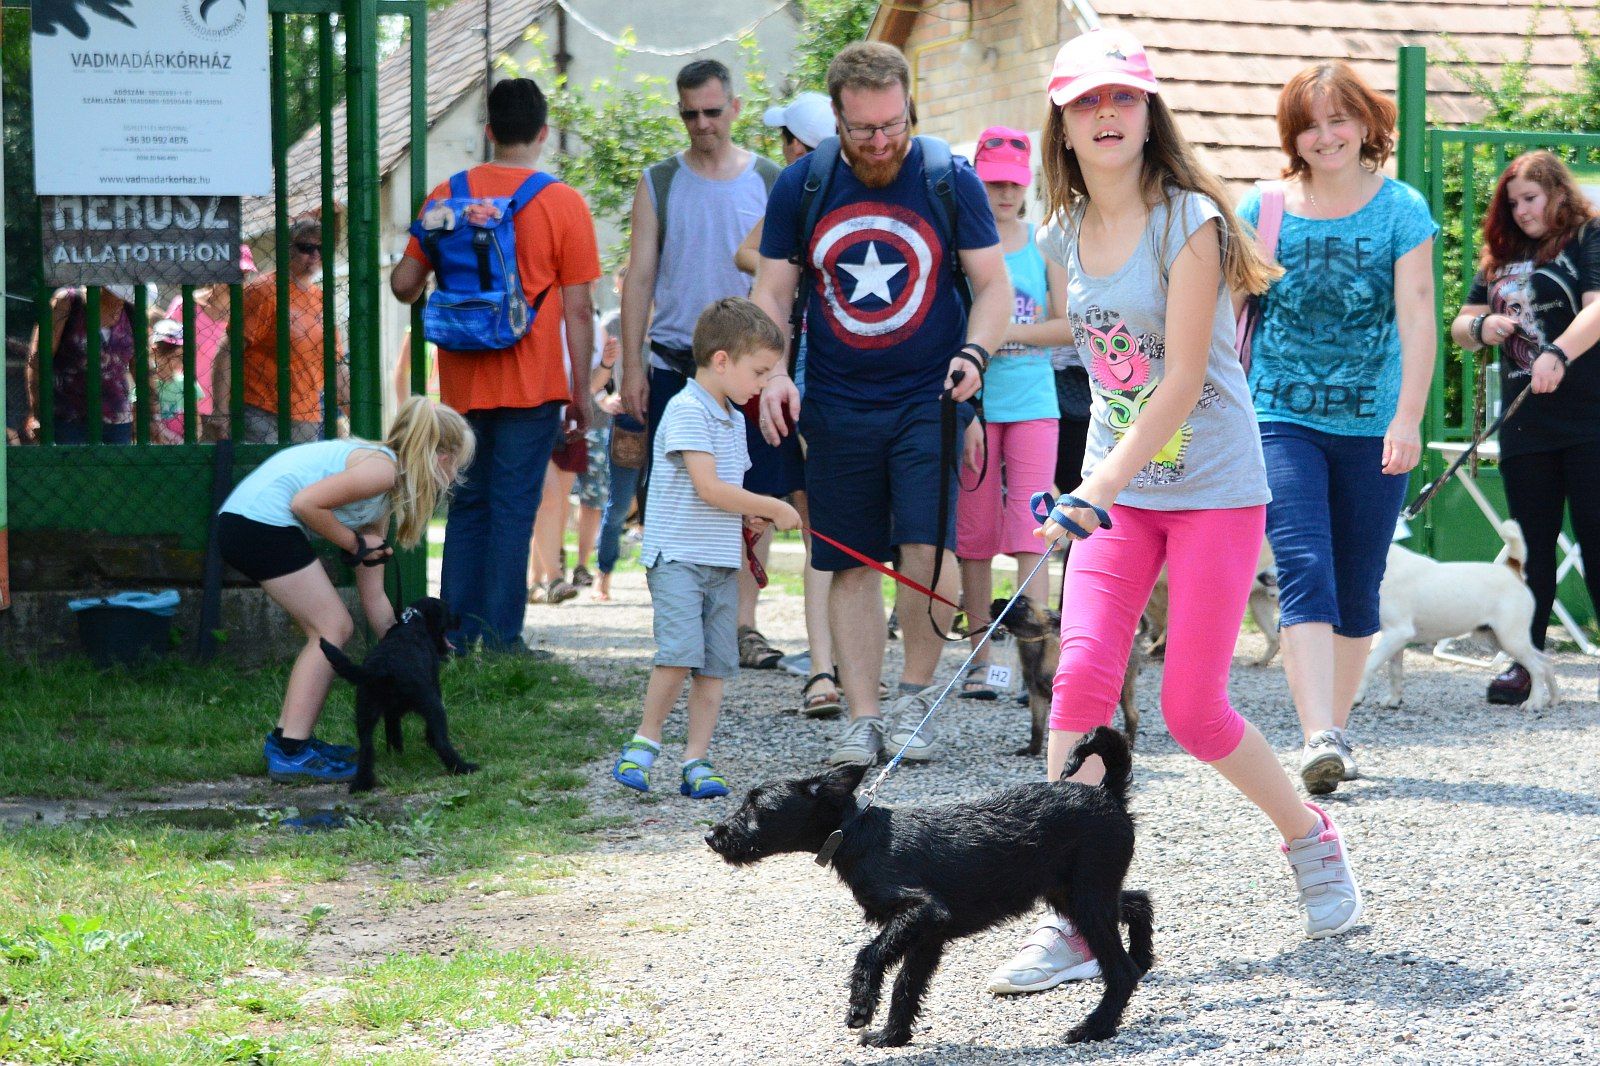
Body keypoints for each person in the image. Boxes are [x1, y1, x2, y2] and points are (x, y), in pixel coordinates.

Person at [986, 29, 1366, 997]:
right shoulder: (1060, 234)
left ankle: (1309, 837)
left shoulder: (1188, 220)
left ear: (1148, 113)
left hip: (1211, 491)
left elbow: (1179, 378)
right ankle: (1077, 920)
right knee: (1077, 685)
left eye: (1122, 99)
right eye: (1085, 103)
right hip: (1117, 493)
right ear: (1061, 127)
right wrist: (1085, 488)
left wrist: (1095, 487)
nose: (1105, 116)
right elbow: (1103, 364)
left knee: (1194, 711)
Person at [751, 42, 1010, 765]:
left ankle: (916, 701)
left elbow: (991, 285)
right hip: (835, 402)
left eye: (893, 124)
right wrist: (772, 370)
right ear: (837, 120)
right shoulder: (802, 186)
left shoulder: (947, 179)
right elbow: (771, 291)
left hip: (930, 398)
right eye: (864, 130)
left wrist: (976, 356)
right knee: (851, 559)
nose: (881, 141)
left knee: (927, 551)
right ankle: (863, 718)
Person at [1238, 60, 1437, 795]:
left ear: (1366, 126)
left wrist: (1408, 417)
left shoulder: (1401, 209)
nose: (1325, 136)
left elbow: (1419, 317)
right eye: (1310, 124)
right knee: (1304, 565)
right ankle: (1318, 731)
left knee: (1360, 584)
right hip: (1281, 413)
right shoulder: (1262, 207)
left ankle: (1336, 735)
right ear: (1294, 135)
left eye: (1338, 120)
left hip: (1374, 420)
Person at [391, 77, 600, 652]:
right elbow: (578, 312)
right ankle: (501, 639)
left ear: (488, 132)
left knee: (468, 506)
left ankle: (453, 636)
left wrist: (434, 244)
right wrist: (580, 391)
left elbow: (403, 287)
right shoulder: (563, 202)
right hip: (534, 385)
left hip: (461, 386)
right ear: (543, 132)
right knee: (513, 508)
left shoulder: (444, 195)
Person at [618, 58, 787, 671]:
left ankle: (742, 624)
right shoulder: (659, 181)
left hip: (751, 368)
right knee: (678, 495)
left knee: (753, 491)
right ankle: (683, 620)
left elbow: (784, 274)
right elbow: (638, 277)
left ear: (734, 109)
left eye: (713, 112)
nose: (702, 124)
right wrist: (631, 365)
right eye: (690, 113)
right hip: (675, 363)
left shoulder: (768, 178)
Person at [216, 396, 474, 782]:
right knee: (332, 629)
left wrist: (406, 643)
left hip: (250, 523)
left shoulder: (386, 490)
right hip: (256, 523)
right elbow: (306, 504)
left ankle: (288, 740)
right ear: (439, 455)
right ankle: (291, 752)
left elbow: (373, 594)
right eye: (457, 465)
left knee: (328, 628)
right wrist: (353, 545)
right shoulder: (381, 470)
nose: (455, 477)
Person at [610, 298, 800, 798]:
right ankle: (645, 742)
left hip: (719, 562)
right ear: (721, 360)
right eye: (758, 372)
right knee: (679, 653)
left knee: (716, 666)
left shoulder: (733, 418)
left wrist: (752, 515)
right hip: (678, 558)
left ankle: (696, 758)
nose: (762, 384)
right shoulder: (687, 408)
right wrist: (771, 505)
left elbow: (727, 496)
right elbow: (709, 488)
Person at [1450, 150, 1600, 702]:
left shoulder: (1587, 236)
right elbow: (1460, 327)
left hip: (1589, 420)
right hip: (1524, 424)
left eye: (1530, 200)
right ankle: (1526, 663)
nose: (1521, 212)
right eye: (1512, 204)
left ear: (1558, 194)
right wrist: (1483, 325)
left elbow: (1598, 307)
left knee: (1597, 540)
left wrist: (1557, 352)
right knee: (1530, 548)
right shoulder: (1502, 256)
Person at [736, 89, 842, 713]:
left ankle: (828, 659)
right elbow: (749, 254)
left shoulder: (820, 188)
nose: (781, 151)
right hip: (787, 365)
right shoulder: (797, 192)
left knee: (816, 519)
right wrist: (795, 268)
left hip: (815, 367)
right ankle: (820, 661)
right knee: (801, 511)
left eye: (786, 140)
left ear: (802, 144)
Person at [955, 127, 1068, 698]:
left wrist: (1000, 331)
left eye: (1013, 183)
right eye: (993, 181)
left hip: (1032, 403)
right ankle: (982, 659)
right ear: (976, 177)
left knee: (1034, 528)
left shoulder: (1043, 242)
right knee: (973, 532)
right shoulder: (963, 241)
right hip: (974, 405)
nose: (1003, 194)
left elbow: (1067, 324)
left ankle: (1035, 661)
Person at [239, 219, 346, 444]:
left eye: (321, 248)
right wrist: (221, 409)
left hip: (307, 416)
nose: (315, 255)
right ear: (289, 249)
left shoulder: (320, 299)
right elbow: (228, 351)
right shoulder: (264, 290)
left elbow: (333, 366)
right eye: (306, 248)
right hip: (262, 411)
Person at [24, 284, 136, 445]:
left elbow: (141, 366)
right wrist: (37, 412)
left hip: (117, 421)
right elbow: (38, 359)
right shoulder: (68, 302)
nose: (122, 301)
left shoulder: (131, 310)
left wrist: (152, 415)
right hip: (67, 419)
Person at [172, 244, 255, 440]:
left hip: (230, 407)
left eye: (244, 274)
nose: (238, 279)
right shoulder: (186, 305)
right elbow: (166, 352)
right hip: (188, 407)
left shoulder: (248, 313)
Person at [148, 318, 207, 444]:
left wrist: (193, 440)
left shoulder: (187, 384)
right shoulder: (146, 384)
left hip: (181, 445)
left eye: (183, 357)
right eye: (174, 357)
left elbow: (196, 420)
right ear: (155, 352)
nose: (179, 362)